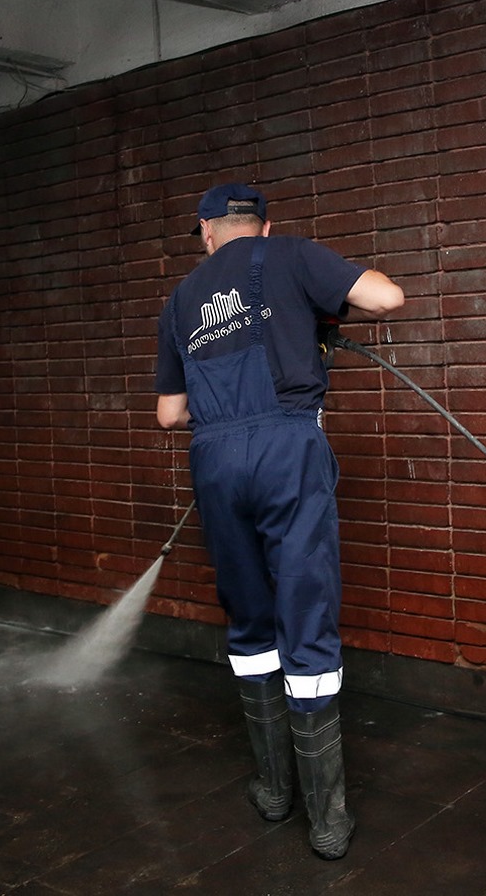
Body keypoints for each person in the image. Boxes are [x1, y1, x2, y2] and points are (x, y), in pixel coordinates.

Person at [155, 182, 403, 860]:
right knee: (305, 608)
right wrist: (311, 321)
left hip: (213, 460)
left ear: (206, 231)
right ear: (263, 227)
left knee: (250, 618)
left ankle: (273, 790)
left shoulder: (180, 299)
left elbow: (169, 415)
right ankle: (326, 820)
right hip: (286, 448)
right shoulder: (289, 254)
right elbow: (386, 298)